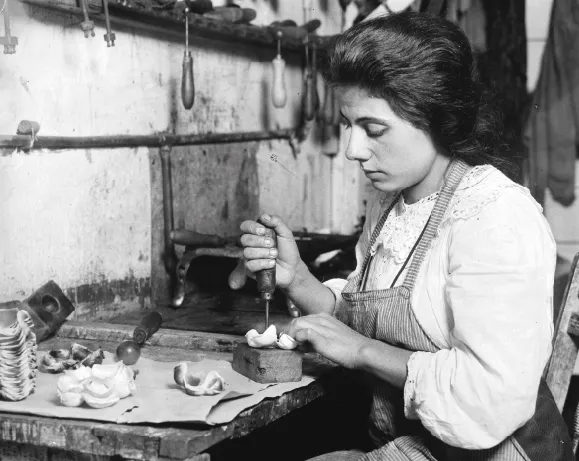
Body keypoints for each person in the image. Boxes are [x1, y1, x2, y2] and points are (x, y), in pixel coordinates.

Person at [228, 11, 574, 461]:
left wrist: (363, 351)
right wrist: (298, 280)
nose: (353, 150)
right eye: (348, 125)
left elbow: (489, 398)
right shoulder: (389, 202)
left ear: (436, 116)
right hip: (415, 444)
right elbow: (360, 321)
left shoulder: (493, 215)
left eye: (373, 129)